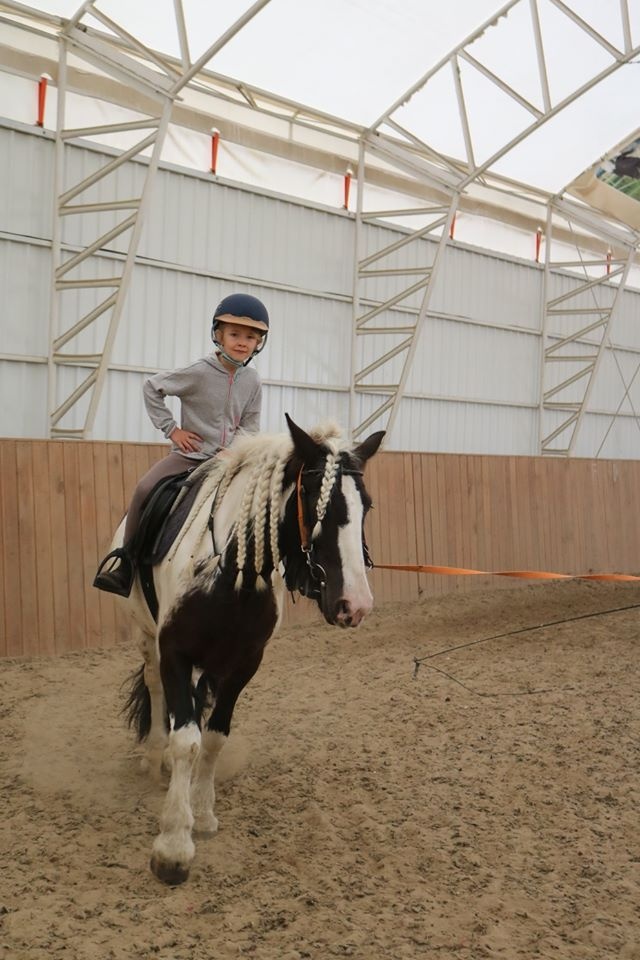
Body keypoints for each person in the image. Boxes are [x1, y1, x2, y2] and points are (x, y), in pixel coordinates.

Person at [93, 292, 269, 597]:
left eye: (250, 337)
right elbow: (152, 388)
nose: (242, 342)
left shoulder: (253, 381)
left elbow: (250, 424)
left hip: (231, 460)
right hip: (192, 457)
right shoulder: (198, 372)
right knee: (144, 489)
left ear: (258, 343)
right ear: (219, 335)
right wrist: (172, 430)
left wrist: (236, 450)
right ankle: (125, 562)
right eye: (234, 334)